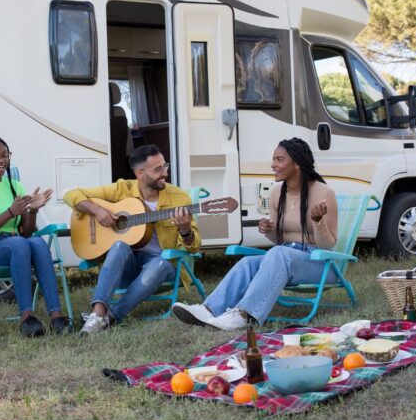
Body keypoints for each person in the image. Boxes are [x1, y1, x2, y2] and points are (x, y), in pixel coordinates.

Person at [171, 138, 338, 330]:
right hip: (285, 258)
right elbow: (279, 242)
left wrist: (318, 221)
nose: (273, 165)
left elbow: (328, 246)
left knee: (277, 253)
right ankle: (208, 309)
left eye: (280, 160)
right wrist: (270, 231)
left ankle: (243, 314)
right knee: (247, 263)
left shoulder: (324, 194)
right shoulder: (277, 193)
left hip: (319, 263)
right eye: (273, 159)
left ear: (297, 163)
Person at [64, 144, 201, 335]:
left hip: (160, 265)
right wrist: (98, 210)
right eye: (158, 169)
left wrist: (185, 230)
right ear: (140, 174)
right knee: (119, 245)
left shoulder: (179, 198)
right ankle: (97, 314)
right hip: (127, 266)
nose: (165, 173)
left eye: (165, 166)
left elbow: (193, 247)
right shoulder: (123, 189)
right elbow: (70, 195)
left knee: (160, 264)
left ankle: (110, 318)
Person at [0, 135, 70, 337]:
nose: (1, 161)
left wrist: (33, 210)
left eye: (5, 155)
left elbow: (26, 231)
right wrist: (10, 213)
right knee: (20, 243)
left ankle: (57, 317)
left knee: (36, 241)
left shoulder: (14, 186)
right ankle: (27, 317)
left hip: (17, 244)